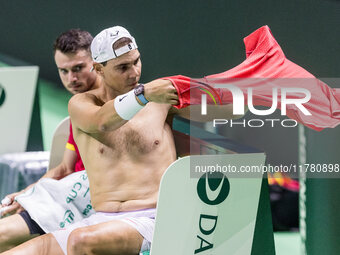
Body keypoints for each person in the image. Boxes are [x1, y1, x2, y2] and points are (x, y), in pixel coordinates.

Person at [0, 25, 235, 255]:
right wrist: (143, 95)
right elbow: (102, 122)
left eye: (136, 61)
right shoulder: (82, 104)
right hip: (98, 219)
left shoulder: (160, 101)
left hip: (152, 219)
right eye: (123, 67)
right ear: (99, 69)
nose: (134, 73)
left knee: (81, 241)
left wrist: (251, 88)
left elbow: (229, 111)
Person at [0, 28, 100, 252]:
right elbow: (64, 167)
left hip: (88, 207)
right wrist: (28, 194)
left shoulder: (112, 106)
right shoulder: (78, 106)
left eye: (78, 68)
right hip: (64, 198)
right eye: (63, 71)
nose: (71, 79)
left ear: (97, 63)